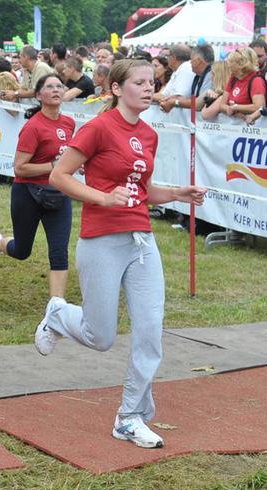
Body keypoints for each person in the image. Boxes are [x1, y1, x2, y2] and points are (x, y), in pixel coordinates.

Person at [41, 59, 206, 448]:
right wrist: (102, 197)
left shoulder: (149, 134)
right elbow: (58, 176)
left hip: (142, 239)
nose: (149, 89)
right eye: (140, 82)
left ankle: (130, 416)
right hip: (101, 238)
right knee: (101, 337)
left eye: (153, 82)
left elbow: (142, 190)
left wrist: (178, 194)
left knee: (150, 329)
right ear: (117, 89)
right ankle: (58, 313)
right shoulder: (98, 128)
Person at [0, 74, 75, 306]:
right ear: (39, 94)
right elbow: (20, 168)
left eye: (59, 86)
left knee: (59, 252)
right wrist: (53, 166)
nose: (56, 90)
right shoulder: (33, 127)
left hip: (58, 194)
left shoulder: (69, 123)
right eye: (49, 87)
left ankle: (56, 308)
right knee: (22, 251)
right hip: (28, 194)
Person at [202, 47, 265, 122]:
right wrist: (231, 109)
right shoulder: (233, 78)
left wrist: (236, 108)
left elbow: (259, 107)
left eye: (231, 62)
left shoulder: (256, 80)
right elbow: (222, 105)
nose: (228, 65)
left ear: (241, 63)